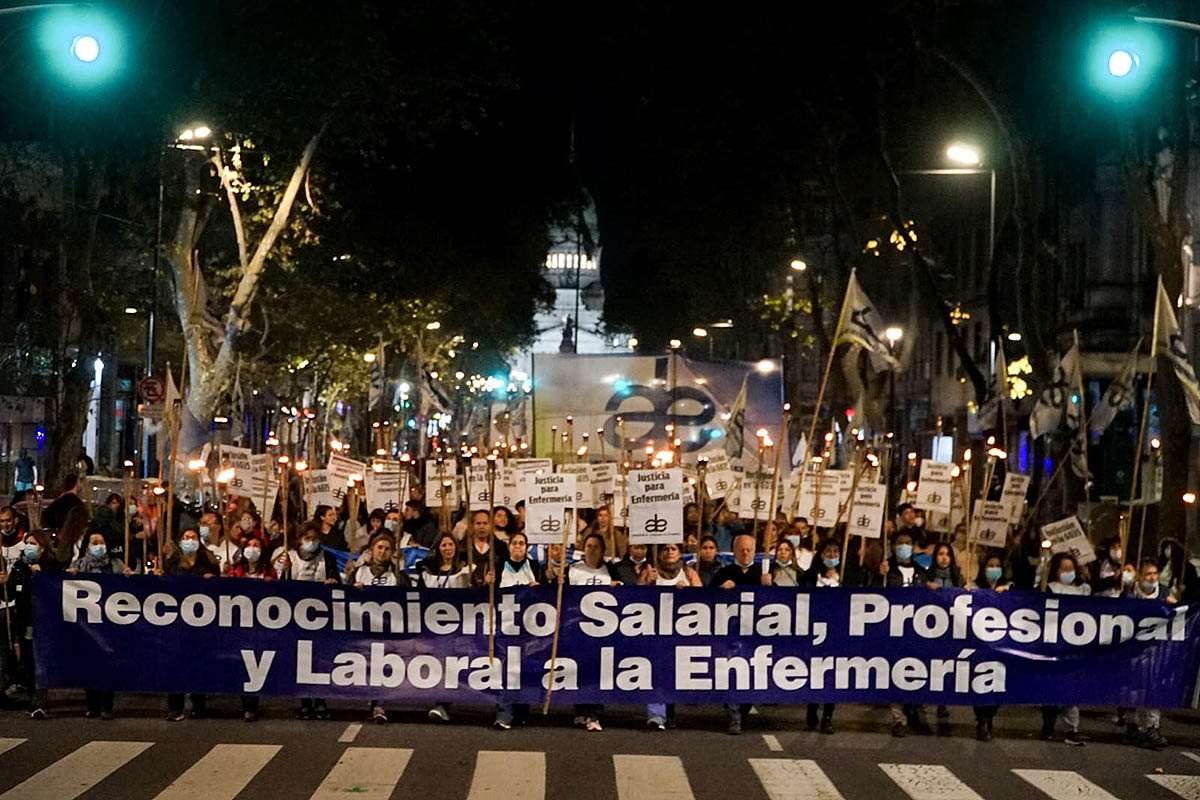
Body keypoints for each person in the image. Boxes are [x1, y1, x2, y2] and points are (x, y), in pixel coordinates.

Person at [873, 531, 931, 737]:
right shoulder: (886, 570)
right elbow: (872, 597)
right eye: (900, 543)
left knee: (915, 671)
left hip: (917, 630)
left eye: (908, 543)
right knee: (896, 673)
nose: (904, 546)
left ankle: (914, 708)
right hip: (893, 629)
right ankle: (899, 719)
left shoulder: (921, 572)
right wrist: (880, 577)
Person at [347, 531, 409, 724]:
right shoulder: (359, 573)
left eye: (387, 549)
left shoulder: (398, 575)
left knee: (383, 665)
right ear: (372, 550)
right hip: (362, 628)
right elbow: (343, 600)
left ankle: (379, 703)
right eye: (379, 547)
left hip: (387, 629)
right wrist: (353, 589)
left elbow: (409, 600)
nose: (383, 552)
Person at [68, 532, 130, 719]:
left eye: (101, 542)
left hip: (109, 622)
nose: (98, 545)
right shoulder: (78, 566)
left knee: (107, 664)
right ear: (87, 547)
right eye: (94, 542)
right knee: (89, 663)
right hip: (87, 624)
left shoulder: (116, 565)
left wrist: (129, 578)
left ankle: (106, 706)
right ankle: (91, 704)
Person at [713, 534, 768, 735]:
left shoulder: (763, 574)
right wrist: (721, 590)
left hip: (756, 634)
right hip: (731, 634)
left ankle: (743, 711)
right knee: (733, 673)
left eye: (749, 550)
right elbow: (707, 599)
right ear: (734, 551)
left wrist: (770, 586)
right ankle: (733, 715)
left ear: (755, 552)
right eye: (742, 550)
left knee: (752, 674)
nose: (745, 553)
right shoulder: (724, 572)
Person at [163, 528, 218, 721]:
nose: (189, 541)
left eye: (193, 537)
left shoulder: (209, 563)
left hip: (201, 622)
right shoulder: (171, 564)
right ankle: (175, 707)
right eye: (185, 537)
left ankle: (199, 704)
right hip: (176, 621)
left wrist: (215, 580)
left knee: (198, 662)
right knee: (175, 664)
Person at [566, 532, 617, 732]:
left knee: (597, 671)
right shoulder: (573, 570)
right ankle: (580, 710)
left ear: (603, 550)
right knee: (578, 670)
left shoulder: (610, 570)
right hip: (577, 627)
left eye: (596, 546)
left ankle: (594, 713)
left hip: (602, 630)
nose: (592, 550)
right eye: (589, 546)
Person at [490, 531, 541, 730]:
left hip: (530, 628)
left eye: (522, 543)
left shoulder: (535, 567)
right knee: (506, 671)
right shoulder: (498, 567)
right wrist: (487, 583)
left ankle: (521, 710)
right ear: (509, 546)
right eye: (515, 543)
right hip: (505, 627)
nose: (518, 547)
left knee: (525, 669)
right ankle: (504, 712)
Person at [1040, 553, 1089, 745]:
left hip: (1075, 646)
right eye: (1064, 569)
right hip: (1053, 645)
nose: (1069, 572)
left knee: (1072, 688)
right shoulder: (1049, 588)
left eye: (1071, 568)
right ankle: (1048, 724)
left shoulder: (1084, 591)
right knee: (1051, 687)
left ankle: (1072, 728)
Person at [1122, 558, 1168, 749]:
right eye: (1148, 574)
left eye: (1155, 573)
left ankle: (1152, 727)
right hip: (1134, 651)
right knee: (1133, 689)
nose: (1152, 577)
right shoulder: (1130, 595)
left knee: (1153, 688)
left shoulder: (1164, 593)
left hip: (1156, 651)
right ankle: (1132, 725)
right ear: (1139, 577)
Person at [801, 538, 842, 733]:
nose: (832, 555)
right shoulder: (810, 577)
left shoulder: (845, 578)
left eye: (835, 552)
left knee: (832, 677)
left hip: (837, 633)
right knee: (814, 674)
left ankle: (828, 717)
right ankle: (811, 710)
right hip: (813, 632)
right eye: (828, 552)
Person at [971, 555, 1011, 741]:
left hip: (1002, 645)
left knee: (997, 684)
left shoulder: (1010, 588)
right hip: (979, 644)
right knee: (979, 683)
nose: (994, 568)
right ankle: (982, 719)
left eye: (997, 565)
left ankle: (988, 718)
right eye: (990, 565)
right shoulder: (974, 587)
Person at [1158, 537, 1198, 605]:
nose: (1168, 550)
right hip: (1161, 598)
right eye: (1166, 548)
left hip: (1176, 600)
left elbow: (1194, 586)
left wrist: (1186, 588)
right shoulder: (1161, 564)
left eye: (1170, 548)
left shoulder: (1187, 567)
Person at [199, 510, 240, 575]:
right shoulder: (198, 545)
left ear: (218, 526)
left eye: (206, 523)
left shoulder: (232, 550)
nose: (202, 526)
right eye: (201, 523)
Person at [0, 506, 26, 570]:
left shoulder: (25, 538)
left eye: (8, 520)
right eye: (2, 521)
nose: (5, 524)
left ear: (16, 520)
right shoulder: (0, 539)